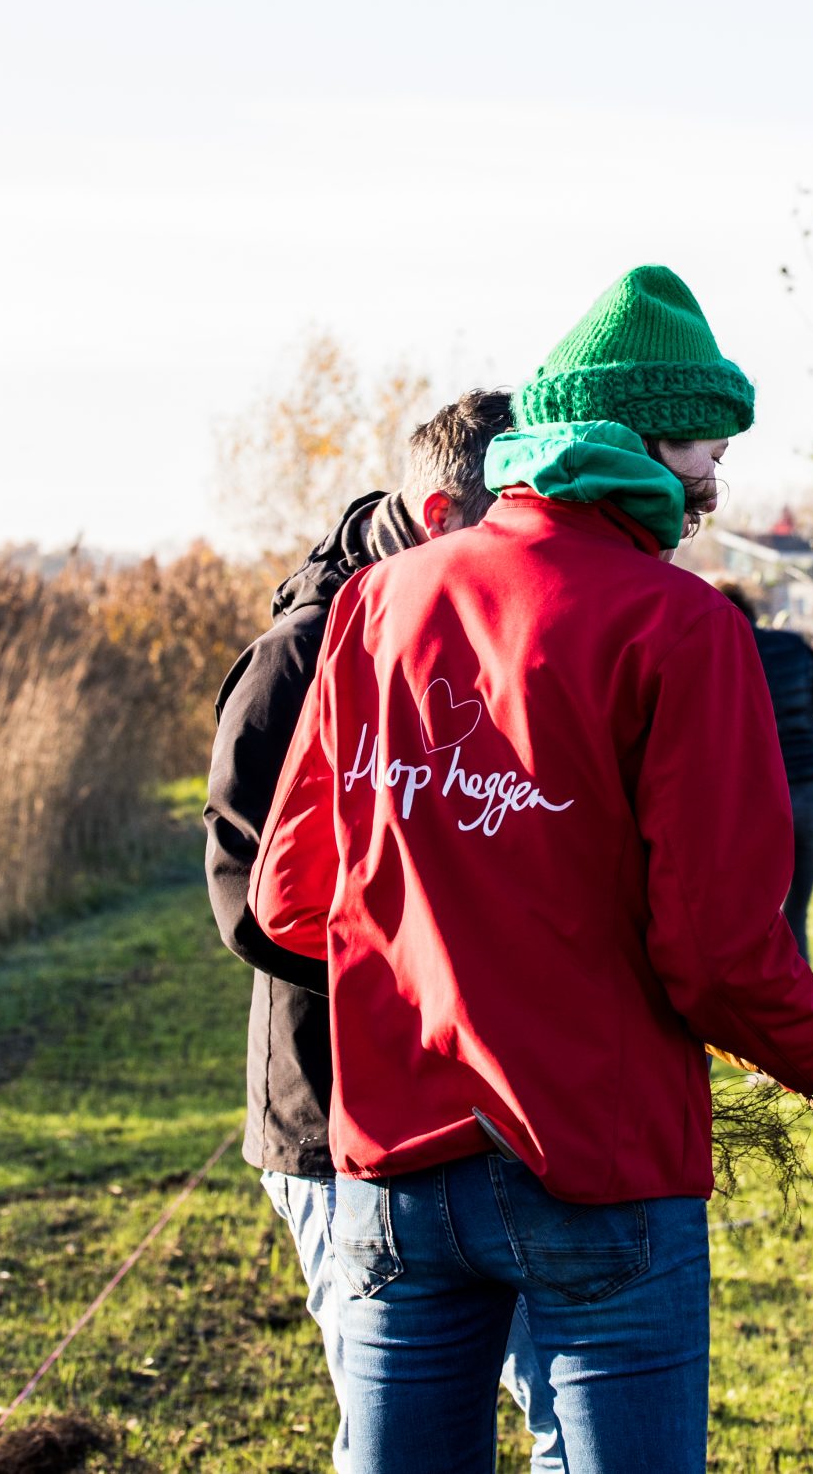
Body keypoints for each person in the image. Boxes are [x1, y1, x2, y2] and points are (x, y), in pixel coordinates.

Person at [252, 264, 813, 1474]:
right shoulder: (681, 628)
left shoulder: (379, 606)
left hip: (397, 1168)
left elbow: (292, 898)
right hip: (596, 1166)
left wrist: (443, 929)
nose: (716, 482)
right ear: (637, 442)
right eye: (708, 448)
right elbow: (715, 955)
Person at [201, 387, 514, 1464]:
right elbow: (247, 898)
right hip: (333, 1113)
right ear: (439, 520)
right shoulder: (299, 656)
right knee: (396, 1437)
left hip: (468, 1107)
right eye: (506, 519)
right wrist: (429, 963)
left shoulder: (464, 629)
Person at [712, 582, 813, 963]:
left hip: (755, 799)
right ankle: (809, 1017)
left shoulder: (718, 650)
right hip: (812, 792)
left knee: (750, 922)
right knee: (795, 917)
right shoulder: (795, 648)